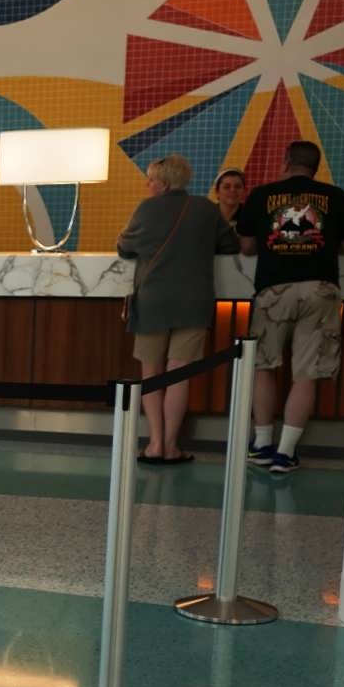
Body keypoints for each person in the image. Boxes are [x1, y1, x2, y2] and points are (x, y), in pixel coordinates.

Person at [234, 140, 344, 473]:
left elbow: (247, 247)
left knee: (264, 366)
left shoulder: (263, 195)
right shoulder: (335, 196)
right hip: (320, 289)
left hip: (273, 289)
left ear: (286, 160)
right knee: (306, 373)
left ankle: (262, 444)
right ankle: (286, 452)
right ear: (316, 166)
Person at [118, 154, 238, 464]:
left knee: (151, 373)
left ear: (163, 183)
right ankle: (172, 446)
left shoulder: (147, 208)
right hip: (194, 301)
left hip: (153, 301)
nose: (148, 184)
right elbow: (230, 245)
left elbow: (125, 247)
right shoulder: (206, 210)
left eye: (151, 179)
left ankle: (155, 443)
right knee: (179, 375)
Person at [211, 168, 246, 237]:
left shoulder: (250, 216)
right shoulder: (208, 216)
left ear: (244, 191)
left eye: (238, 187)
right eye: (226, 187)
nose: (233, 190)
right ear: (217, 192)